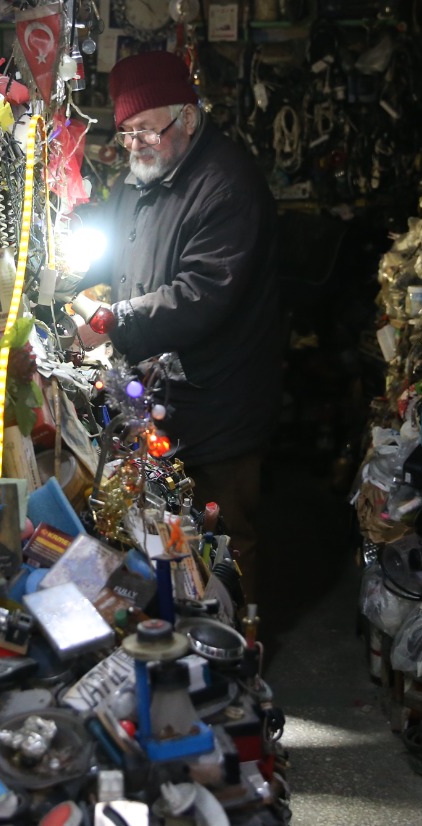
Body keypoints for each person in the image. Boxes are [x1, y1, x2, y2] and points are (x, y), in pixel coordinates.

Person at [73, 50, 280, 604]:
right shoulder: (144, 176)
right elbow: (119, 253)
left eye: (146, 130)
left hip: (219, 396)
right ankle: (189, 641)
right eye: (126, 132)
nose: (134, 145)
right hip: (165, 391)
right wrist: (77, 283)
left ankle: (243, 654)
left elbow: (202, 292)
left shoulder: (226, 184)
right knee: (171, 528)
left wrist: (115, 321)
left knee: (225, 531)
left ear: (187, 118)